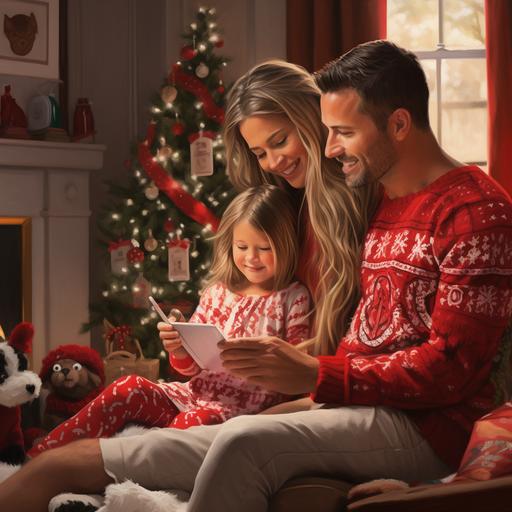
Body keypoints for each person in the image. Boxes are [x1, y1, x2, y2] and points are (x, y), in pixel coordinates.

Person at [3, 41, 511, 512]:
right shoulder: (386, 206)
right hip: (351, 403)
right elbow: (364, 345)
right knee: (62, 464)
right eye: (326, 131)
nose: (329, 149)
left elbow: (451, 368)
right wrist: (302, 385)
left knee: (241, 442)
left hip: (424, 426)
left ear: (398, 124)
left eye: (343, 132)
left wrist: (313, 375)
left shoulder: (473, 211)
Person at [28, 185, 311, 457]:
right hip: (190, 395)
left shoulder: (292, 298)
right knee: (128, 387)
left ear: (284, 244)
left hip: (240, 412)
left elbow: (297, 370)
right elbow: (189, 368)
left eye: (264, 248)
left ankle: (137, 482)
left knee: (178, 436)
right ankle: (42, 454)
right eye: (242, 246)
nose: (251, 258)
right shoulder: (217, 293)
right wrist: (178, 348)